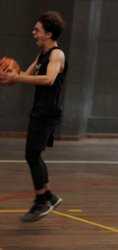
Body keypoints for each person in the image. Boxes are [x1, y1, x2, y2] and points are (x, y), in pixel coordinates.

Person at [0, 11, 67, 222]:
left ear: (48, 33)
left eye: (37, 30)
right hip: (40, 110)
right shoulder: (41, 56)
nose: (33, 33)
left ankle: (41, 202)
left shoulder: (57, 55)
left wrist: (16, 77)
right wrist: (10, 77)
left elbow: (48, 79)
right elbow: (24, 76)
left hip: (47, 112)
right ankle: (48, 195)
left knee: (32, 154)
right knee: (34, 153)